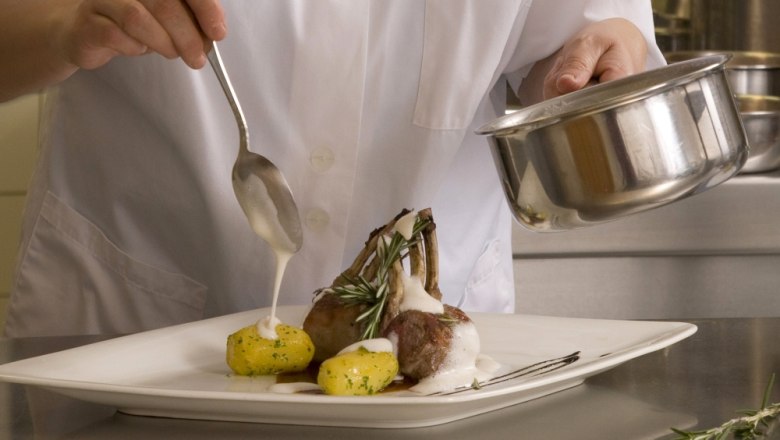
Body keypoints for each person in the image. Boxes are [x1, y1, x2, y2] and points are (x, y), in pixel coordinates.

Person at [1, 0, 664, 337]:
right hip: (134, 343)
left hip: (432, 358)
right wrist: (64, 23)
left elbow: (581, 49)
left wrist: (592, 62)